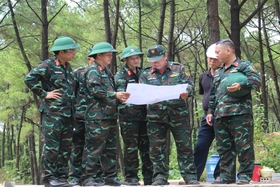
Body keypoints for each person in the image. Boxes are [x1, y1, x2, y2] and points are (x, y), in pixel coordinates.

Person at [139, 44, 199, 185]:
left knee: (184, 146)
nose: (155, 63)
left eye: (158, 59)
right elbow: (141, 92)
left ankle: (189, 175)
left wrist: (187, 92)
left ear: (165, 56)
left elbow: (190, 85)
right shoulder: (146, 74)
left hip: (178, 115)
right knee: (156, 149)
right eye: (152, 60)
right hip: (156, 117)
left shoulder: (179, 69)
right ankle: (160, 176)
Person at [24, 36, 80, 187]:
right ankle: (49, 178)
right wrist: (44, 94)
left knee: (65, 147)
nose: (74, 53)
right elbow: (29, 79)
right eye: (71, 50)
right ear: (61, 52)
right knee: (52, 147)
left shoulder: (67, 68)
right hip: (52, 114)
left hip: (68, 114)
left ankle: (62, 178)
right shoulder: (47, 65)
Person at [206, 39, 261, 185]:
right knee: (224, 148)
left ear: (228, 51)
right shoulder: (218, 72)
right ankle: (226, 176)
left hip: (240, 113)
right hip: (220, 115)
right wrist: (210, 111)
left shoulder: (244, 66)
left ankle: (244, 176)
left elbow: (256, 81)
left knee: (243, 146)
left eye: (218, 52)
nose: (216, 55)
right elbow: (213, 94)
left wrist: (241, 85)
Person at [80, 42, 130, 186]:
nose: (110, 57)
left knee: (111, 148)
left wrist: (120, 97)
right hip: (97, 117)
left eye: (111, 55)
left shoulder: (106, 71)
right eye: (108, 55)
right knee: (94, 148)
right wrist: (115, 95)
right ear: (99, 55)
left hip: (110, 116)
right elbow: (95, 90)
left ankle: (110, 177)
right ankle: (88, 177)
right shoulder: (94, 70)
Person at [115, 46, 153, 186]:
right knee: (131, 148)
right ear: (125, 59)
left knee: (147, 147)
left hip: (145, 115)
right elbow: (120, 92)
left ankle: (149, 177)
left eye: (138, 57)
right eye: (132, 58)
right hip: (128, 117)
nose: (136, 60)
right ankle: (131, 177)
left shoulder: (143, 73)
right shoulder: (121, 75)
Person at [69, 49, 103, 185]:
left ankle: (95, 176)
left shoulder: (102, 73)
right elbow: (71, 92)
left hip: (96, 116)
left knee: (95, 147)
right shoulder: (78, 73)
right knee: (77, 146)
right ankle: (74, 177)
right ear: (89, 59)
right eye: (92, 60)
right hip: (79, 115)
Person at [193, 43, 221, 181]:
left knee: (224, 147)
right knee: (200, 146)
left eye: (215, 59)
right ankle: (194, 176)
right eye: (210, 58)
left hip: (222, 115)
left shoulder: (224, 75)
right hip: (206, 117)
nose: (212, 61)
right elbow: (204, 94)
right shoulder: (203, 76)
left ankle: (219, 175)